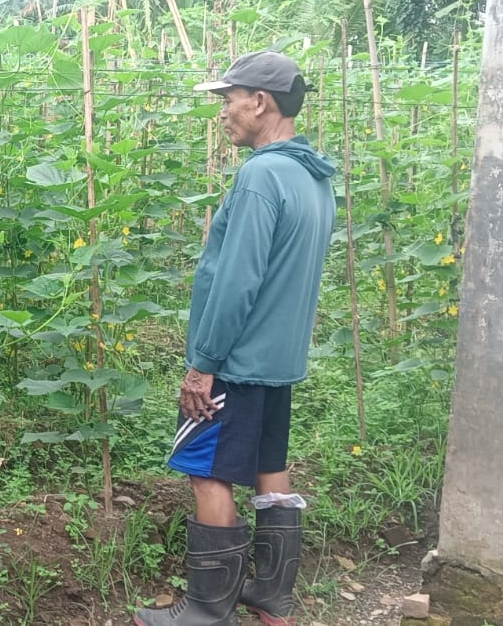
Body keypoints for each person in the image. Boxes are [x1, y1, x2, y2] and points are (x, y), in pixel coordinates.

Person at [134, 51, 337, 626]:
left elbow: (236, 279)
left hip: (237, 360)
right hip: (279, 360)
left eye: (227, 100)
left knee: (207, 470)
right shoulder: (313, 178)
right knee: (271, 466)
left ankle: (206, 610)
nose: (222, 113)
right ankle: (271, 595)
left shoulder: (260, 175)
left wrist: (204, 364)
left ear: (260, 102)